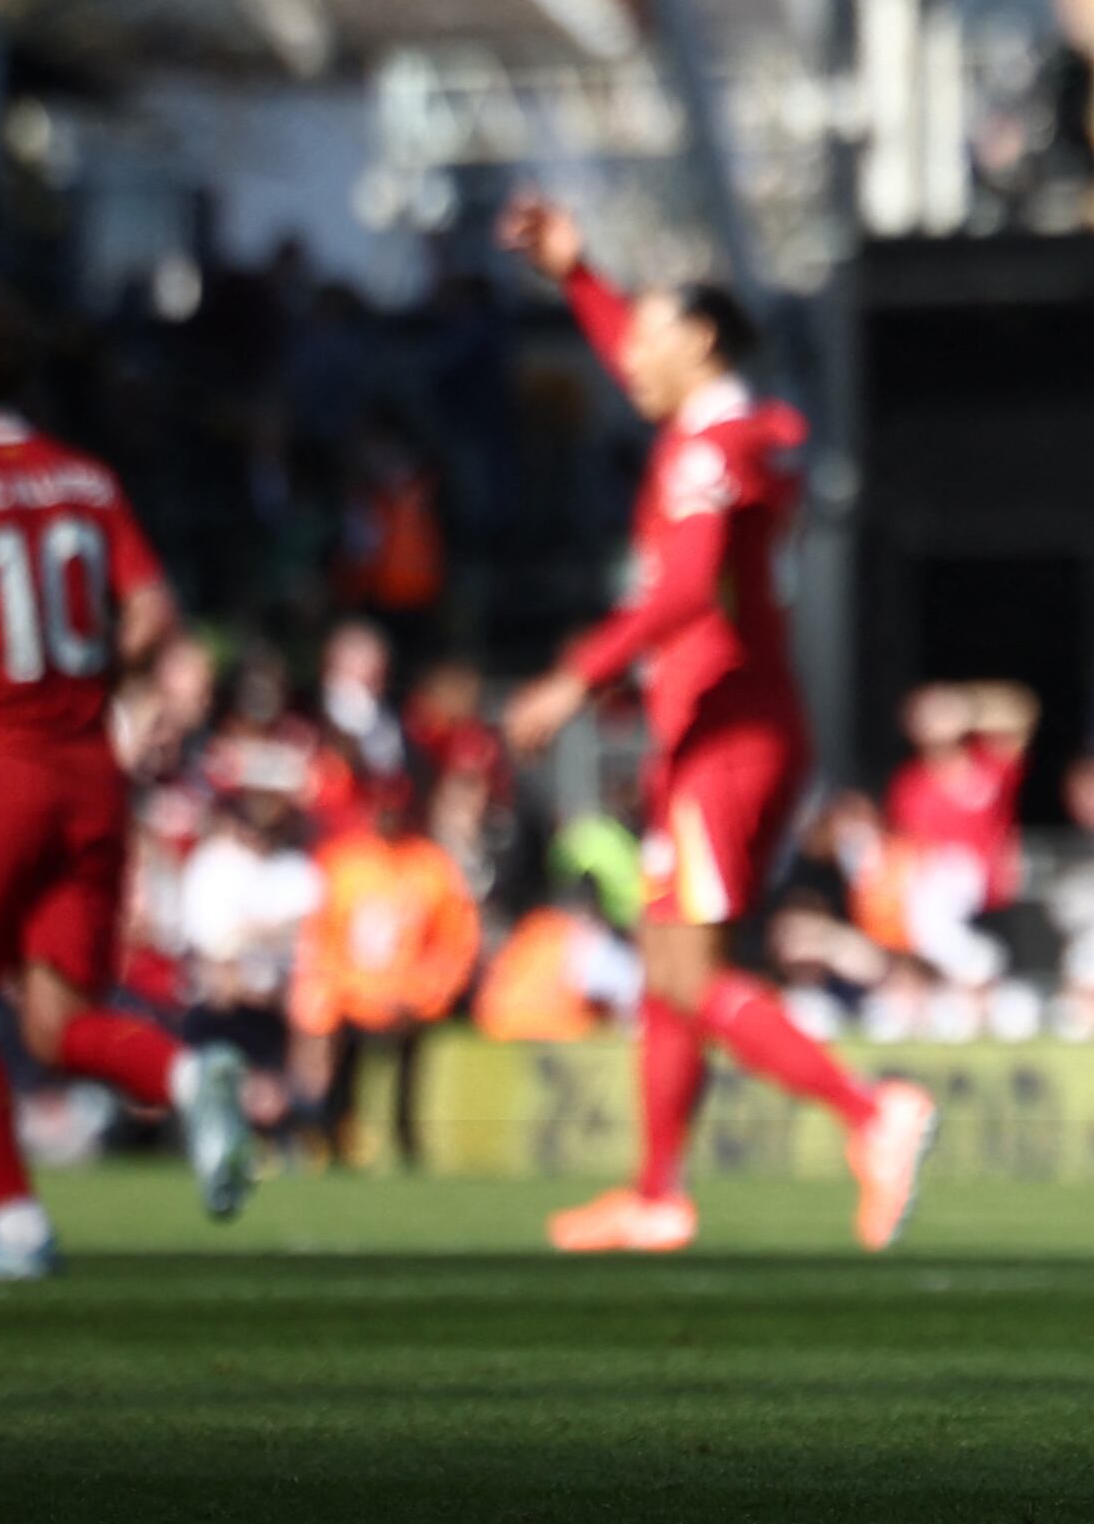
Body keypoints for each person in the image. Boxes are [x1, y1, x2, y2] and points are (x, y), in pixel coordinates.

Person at [493, 192, 937, 1253]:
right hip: (725, 731)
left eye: (646, 337)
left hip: (726, 740)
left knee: (689, 974)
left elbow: (688, 587)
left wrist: (574, 674)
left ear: (697, 340)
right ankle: (656, 1192)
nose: (624, 359)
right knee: (665, 970)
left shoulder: (706, 451)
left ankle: (871, 1112)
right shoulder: (724, 427)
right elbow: (647, 383)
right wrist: (579, 276)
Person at [0, 275, 252, 1281]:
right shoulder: (86, 479)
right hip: (89, 773)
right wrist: (87, 673)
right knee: (60, 1022)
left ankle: (17, 1225)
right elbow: (153, 615)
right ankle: (188, 1072)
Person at [287, 778, 482, 1167]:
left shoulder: (430, 864)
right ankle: (335, 1141)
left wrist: (426, 993)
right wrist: (344, 992)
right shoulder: (342, 862)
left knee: (409, 1087)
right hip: (353, 999)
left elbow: (456, 940)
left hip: (412, 1003)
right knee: (345, 1082)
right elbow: (320, 939)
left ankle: (407, 1144)